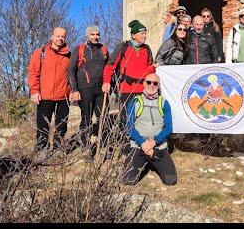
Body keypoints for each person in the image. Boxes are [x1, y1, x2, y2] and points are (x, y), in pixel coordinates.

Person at [102, 20, 159, 146]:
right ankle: (125, 145)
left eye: (145, 33)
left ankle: (140, 144)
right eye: (142, 33)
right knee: (126, 119)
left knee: (142, 119)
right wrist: (106, 81)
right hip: (126, 90)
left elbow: (149, 70)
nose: (145, 36)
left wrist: (153, 69)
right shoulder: (123, 47)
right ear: (134, 35)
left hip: (143, 91)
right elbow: (110, 66)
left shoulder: (147, 49)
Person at [123, 73, 177, 186]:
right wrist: (143, 143)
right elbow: (129, 127)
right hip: (138, 146)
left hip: (158, 147)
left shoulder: (164, 103)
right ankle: (146, 160)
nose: (151, 85)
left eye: (155, 83)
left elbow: (168, 128)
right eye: (149, 82)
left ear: (158, 86)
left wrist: (153, 142)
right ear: (144, 83)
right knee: (128, 180)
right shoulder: (135, 102)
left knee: (171, 180)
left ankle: (152, 162)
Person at [28, 27, 71, 153]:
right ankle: (42, 149)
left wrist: (72, 91)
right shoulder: (41, 52)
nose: (60, 38)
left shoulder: (69, 55)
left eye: (63, 36)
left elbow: (72, 74)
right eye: (57, 36)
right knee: (42, 125)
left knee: (62, 124)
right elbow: (33, 73)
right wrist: (34, 91)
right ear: (52, 36)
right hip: (44, 95)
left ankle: (57, 149)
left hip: (63, 96)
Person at [68, 25, 108, 153]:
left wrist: (108, 83)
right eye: (92, 34)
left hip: (101, 89)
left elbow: (109, 68)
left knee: (103, 117)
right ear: (87, 35)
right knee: (86, 118)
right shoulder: (79, 49)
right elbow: (71, 71)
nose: (95, 37)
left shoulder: (103, 49)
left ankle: (103, 145)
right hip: (85, 89)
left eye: (97, 34)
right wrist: (74, 90)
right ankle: (86, 147)